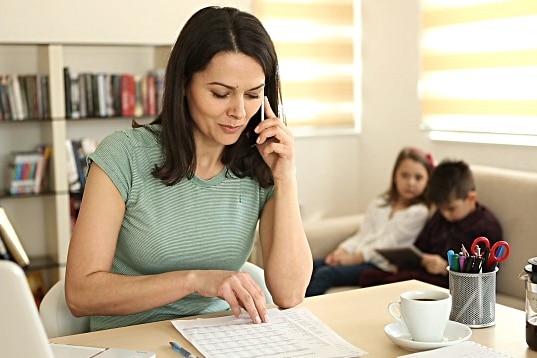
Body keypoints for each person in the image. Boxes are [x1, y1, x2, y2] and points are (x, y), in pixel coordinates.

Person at [64, 6, 313, 331]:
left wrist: (285, 177)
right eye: (220, 93)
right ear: (183, 84)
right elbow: (81, 294)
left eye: (253, 95)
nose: (239, 112)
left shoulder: (260, 164)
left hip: (222, 339)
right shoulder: (124, 155)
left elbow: (290, 294)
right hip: (130, 342)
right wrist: (195, 281)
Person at [305, 147, 435, 296]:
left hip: (380, 266)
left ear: (427, 181)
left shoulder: (419, 212)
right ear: (395, 176)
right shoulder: (380, 203)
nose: (411, 183)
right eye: (405, 175)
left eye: (418, 178)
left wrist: (352, 259)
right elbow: (362, 234)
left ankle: (305, 312)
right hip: (358, 256)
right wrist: (342, 251)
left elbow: (388, 245)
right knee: (312, 265)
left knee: (326, 273)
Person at [359, 159, 503, 289]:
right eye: (441, 208)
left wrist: (445, 267)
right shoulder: (440, 217)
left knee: (395, 284)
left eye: (451, 209)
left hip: (450, 283)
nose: (445, 214)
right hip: (421, 274)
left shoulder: (487, 227)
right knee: (368, 276)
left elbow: (484, 279)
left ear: (471, 198)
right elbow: (420, 248)